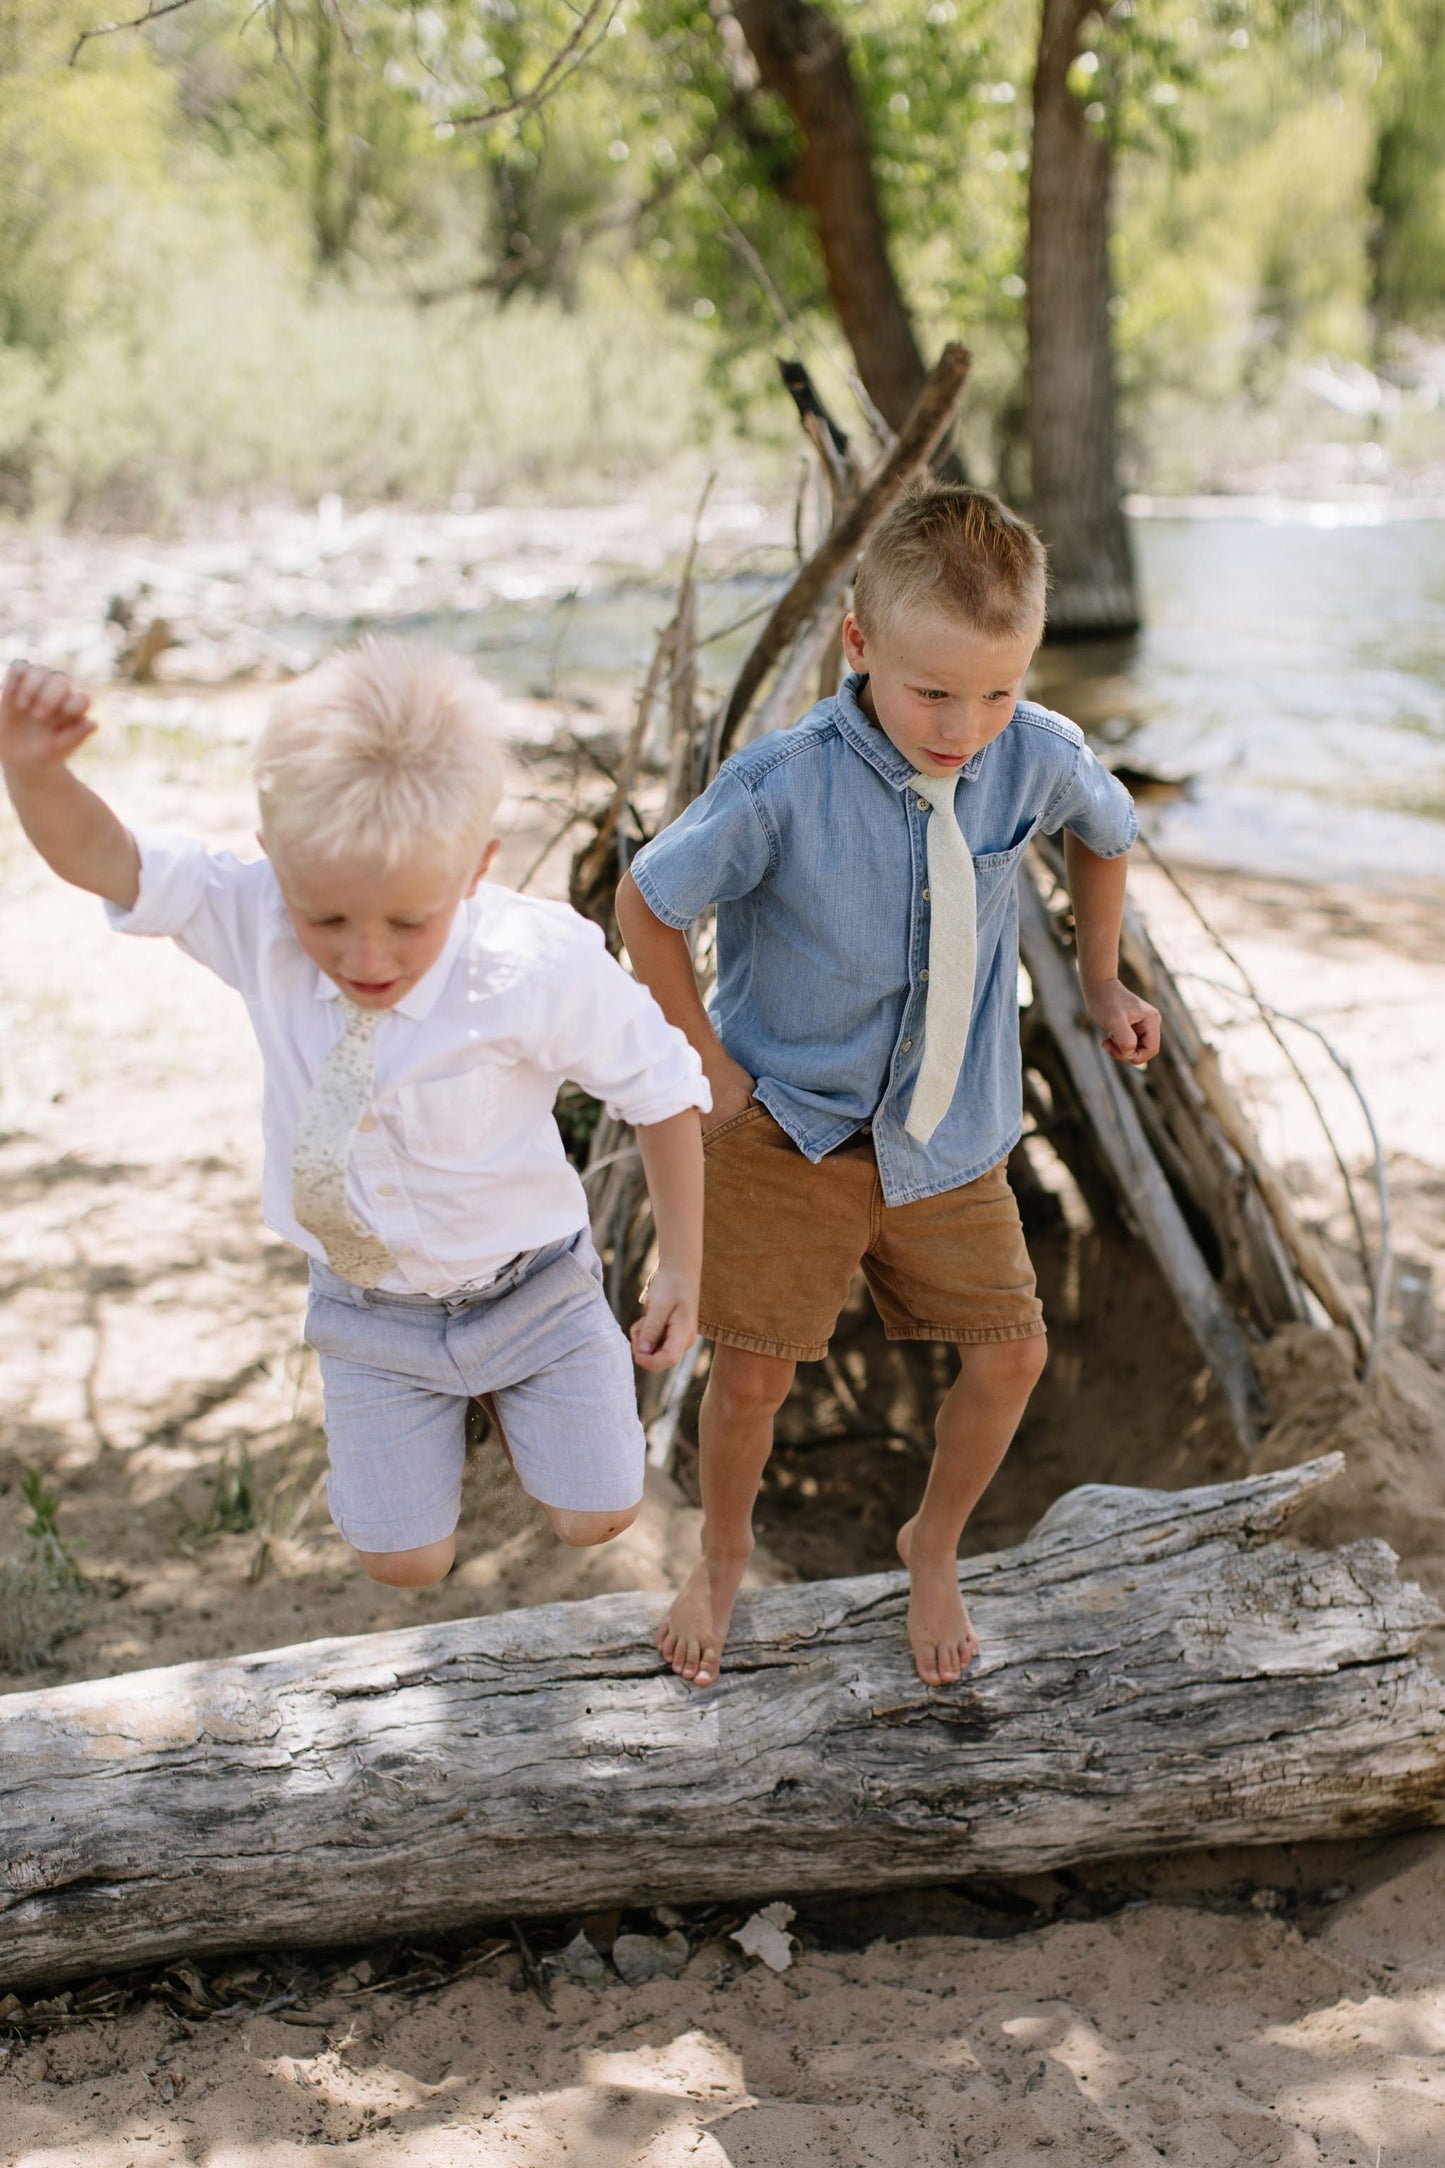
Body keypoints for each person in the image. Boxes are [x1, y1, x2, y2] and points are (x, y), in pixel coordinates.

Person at [0, 639, 708, 1588]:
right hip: (369, 1305)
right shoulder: (254, 915)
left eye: (409, 923)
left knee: (596, 1515)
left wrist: (680, 1267)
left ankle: (513, 1394)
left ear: (475, 870)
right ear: (274, 863)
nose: (365, 955)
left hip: (530, 1284)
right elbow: (109, 860)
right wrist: (34, 772)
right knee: (403, 1562)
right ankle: (439, 1414)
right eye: (325, 919)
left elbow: (662, 1087)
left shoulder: (531, 965)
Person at [617, 482, 1161, 1690]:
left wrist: (1103, 977)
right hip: (788, 1131)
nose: (963, 724)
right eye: (932, 691)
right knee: (750, 1373)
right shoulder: (782, 785)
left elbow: (1107, 827)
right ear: (856, 644)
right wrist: (708, 1067)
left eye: (996, 690)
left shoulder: (1031, 754)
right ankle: (720, 1553)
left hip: (948, 1136)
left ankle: (933, 1543)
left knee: (1009, 1354)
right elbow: (647, 901)